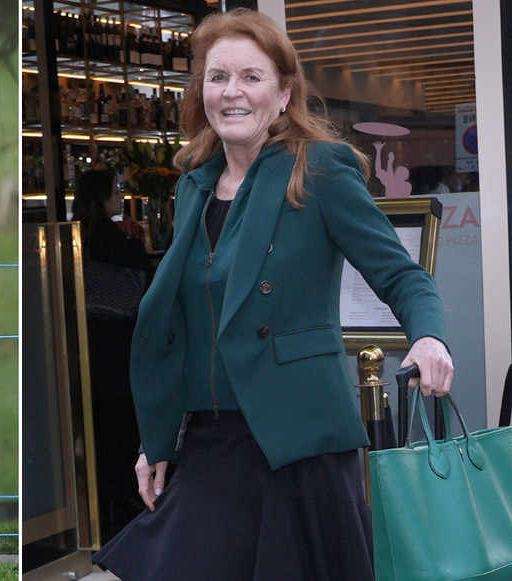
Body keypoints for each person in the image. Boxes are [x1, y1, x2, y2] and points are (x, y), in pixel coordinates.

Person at [92, 9, 453, 580]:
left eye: (251, 77)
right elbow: (183, 324)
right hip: (213, 441)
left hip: (298, 442)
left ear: (284, 93)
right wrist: (156, 440)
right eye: (217, 77)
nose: (231, 92)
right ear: (201, 90)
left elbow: (402, 276)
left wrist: (429, 336)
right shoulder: (194, 184)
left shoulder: (321, 170)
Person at [71, 169, 151, 542]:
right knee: (121, 430)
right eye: (116, 191)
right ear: (101, 197)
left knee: (98, 432)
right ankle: (124, 503)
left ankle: (100, 508)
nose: (121, 197)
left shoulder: (74, 236)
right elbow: (141, 264)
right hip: (116, 350)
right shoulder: (108, 236)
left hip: (86, 349)